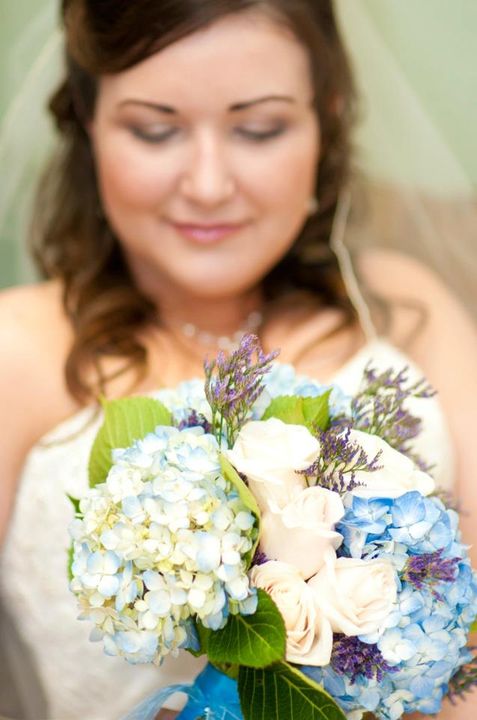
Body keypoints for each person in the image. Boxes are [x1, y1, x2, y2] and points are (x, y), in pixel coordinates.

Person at [0, 1, 476, 719]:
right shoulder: (19, 351)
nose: (208, 184)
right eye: (154, 130)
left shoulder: (408, 307)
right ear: (87, 124)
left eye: (259, 129)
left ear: (326, 120)